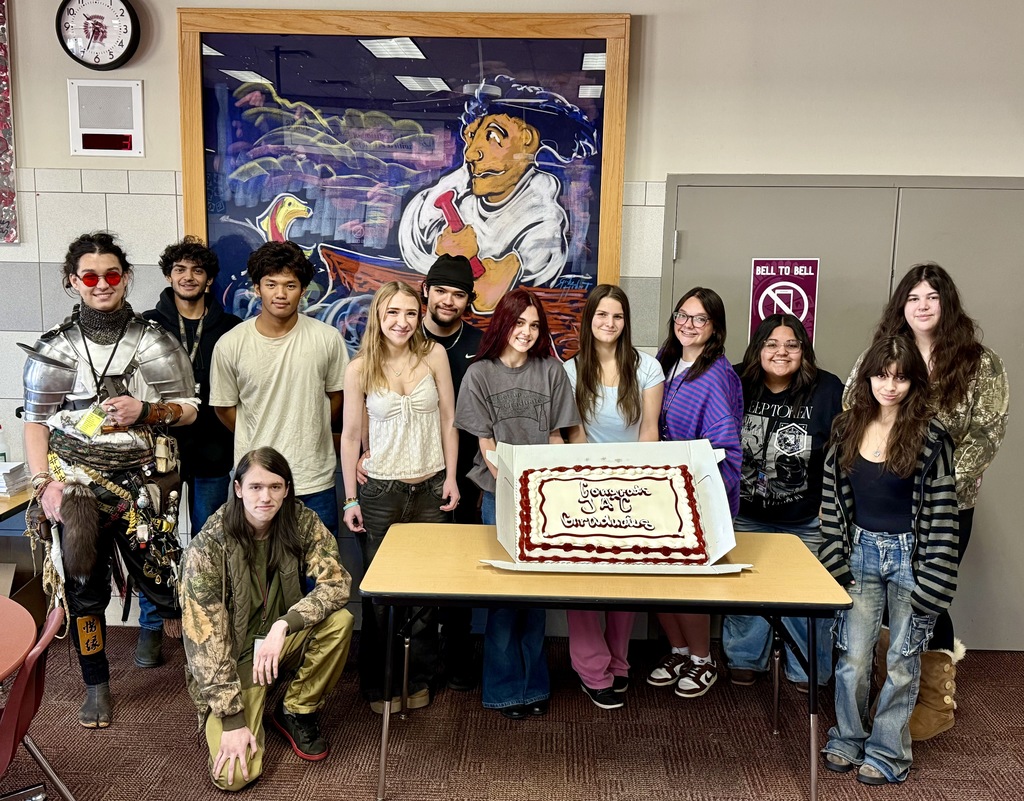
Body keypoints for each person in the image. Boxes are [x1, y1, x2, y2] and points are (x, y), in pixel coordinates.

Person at [21, 232, 198, 728]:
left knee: (167, 583)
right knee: (84, 592)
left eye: (112, 274)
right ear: (74, 281)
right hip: (73, 486)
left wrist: (149, 409)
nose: (103, 285)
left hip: (141, 485)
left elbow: (188, 410)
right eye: (91, 276)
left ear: (125, 278)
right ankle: (95, 683)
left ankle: (204, 672)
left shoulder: (152, 337)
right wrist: (43, 484)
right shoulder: (56, 346)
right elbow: (35, 421)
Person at [848, 262, 1008, 739]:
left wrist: (931, 488)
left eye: (932, 298)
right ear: (902, 305)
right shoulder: (877, 358)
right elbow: (853, 418)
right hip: (882, 508)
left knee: (926, 599)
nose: (922, 306)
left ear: (947, 304)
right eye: (913, 297)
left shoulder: (980, 362)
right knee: (879, 600)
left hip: (946, 507)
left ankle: (934, 702)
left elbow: (987, 435)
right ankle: (891, 687)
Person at [820, 336, 959, 785]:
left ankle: (886, 752)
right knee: (854, 657)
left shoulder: (933, 436)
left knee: (902, 660)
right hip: (858, 551)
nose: (890, 386)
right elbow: (831, 502)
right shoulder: (845, 427)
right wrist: (833, 557)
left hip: (910, 558)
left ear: (913, 382)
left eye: (901, 377)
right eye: (882, 375)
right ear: (869, 378)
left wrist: (934, 582)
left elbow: (942, 514)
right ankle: (847, 737)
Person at [180, 447, 354, 791]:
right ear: (238, 489)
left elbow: (337, 582)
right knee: (234, 778)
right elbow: (205, 643)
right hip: (232, 659)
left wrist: (284, 624)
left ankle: (296, 709)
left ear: (287, 489)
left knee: (340, 622)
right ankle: (247, 706)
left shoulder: (299, 521)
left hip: (278, 640)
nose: (266, 497)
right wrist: (231, 720)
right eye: (256, 487)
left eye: (275, 487)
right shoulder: (207, 547)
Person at [455, 288, 580, 718]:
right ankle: (505, 690)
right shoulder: (479, 375)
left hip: (545, 498)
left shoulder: (551, 371)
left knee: (535, 596)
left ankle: (535, 686)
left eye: (533, 324)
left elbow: (555, 437)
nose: (526, 332)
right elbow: (485, 445)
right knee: (505, 596)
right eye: (518, 322)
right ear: (502, 324)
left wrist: (558, 486)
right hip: (500, 496)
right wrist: (515, 484)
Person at [341, 281, 459, 712]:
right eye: (392, 313)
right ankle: (380, 686)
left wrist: (450, 477)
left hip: (430, 490)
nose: (402, 322)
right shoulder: (360, 369)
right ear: (378, 315)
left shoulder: (434, 356)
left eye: (410, 313)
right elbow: (351, 435)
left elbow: (450, 419)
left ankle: (417, 680)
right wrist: (351, 498)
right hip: (380, 493)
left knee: (426, 596)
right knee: (380, 598)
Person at [399, 75, 599, 311]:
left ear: (527, 141)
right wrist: (442, 254)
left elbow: (486, 297)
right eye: (472, 136)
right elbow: (414, 234)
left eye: (493, 137)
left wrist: (458, 261)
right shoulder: (459, 183)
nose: (471, 153)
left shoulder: (543, 221)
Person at [135, 236, 241, 669]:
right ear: (168, 275)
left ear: (209, 278)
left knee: (209, 543)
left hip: (214, 451)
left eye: (197, 270)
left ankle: (207, 628)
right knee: (151, 541)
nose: (188, 277)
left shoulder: (232, 327)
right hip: (158, 453)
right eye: (180, 269)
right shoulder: (145, 325)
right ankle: (151, 626)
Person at [722, 314, 843, 690]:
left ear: (803, 351)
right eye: (771, 344)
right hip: (745, 515)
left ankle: (807, 669)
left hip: (804, 518)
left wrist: (832, 505)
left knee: (806, 600)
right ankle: (744, 659)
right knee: (746, 594)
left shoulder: (827, 389)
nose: (781, 352)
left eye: (792, 345)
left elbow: (842, 452)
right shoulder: (735, 380)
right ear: (758, 348)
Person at [563, 285, 664, 709]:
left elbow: (649, 430)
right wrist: (594, 481)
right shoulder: (570, 370)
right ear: (589, 320)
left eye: (617, 317)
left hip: (634, 486)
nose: (609, 323)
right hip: (586, 486)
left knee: (626, 581)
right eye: (602, 315)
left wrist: (636, 483)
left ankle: (619, 663)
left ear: (626, 322)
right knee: (584, 582)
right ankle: (591, 667)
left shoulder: (647, 368)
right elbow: (576, 435)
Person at [210, 241, 348, 538]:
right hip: (256, 484)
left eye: (290, 285)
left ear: (303, 289)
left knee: (320, 576)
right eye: (271, 284)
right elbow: (224, 407)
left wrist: (312, 427)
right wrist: (259, 431)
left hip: (314, 478)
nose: (281, 294)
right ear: (257, 288)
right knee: (258, 576)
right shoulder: (231, 344)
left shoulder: (327, 339)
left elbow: (338, 397)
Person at [648, 287, 742, 698]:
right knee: (656, 579)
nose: (687, 324)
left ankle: (703, 660)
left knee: (688, 581)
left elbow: (725, 447)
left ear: (715, 328)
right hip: (656, 491)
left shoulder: (718, 376)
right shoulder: (664, 363)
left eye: (699, 319)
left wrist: (701, 496)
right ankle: (679, 650)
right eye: (682, 315)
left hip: (693, 495)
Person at [419, 254, 485, 690]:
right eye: (440, 290)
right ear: (425, 290)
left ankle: (458, 655)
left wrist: (481, 475)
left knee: (461, 569)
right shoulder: (399, 333)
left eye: (457, 294)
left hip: (464, 475)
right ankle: (419, 663)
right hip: (412, 472)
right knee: (418, 571)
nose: (447, 300)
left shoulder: (482, 344)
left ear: (468, 300)